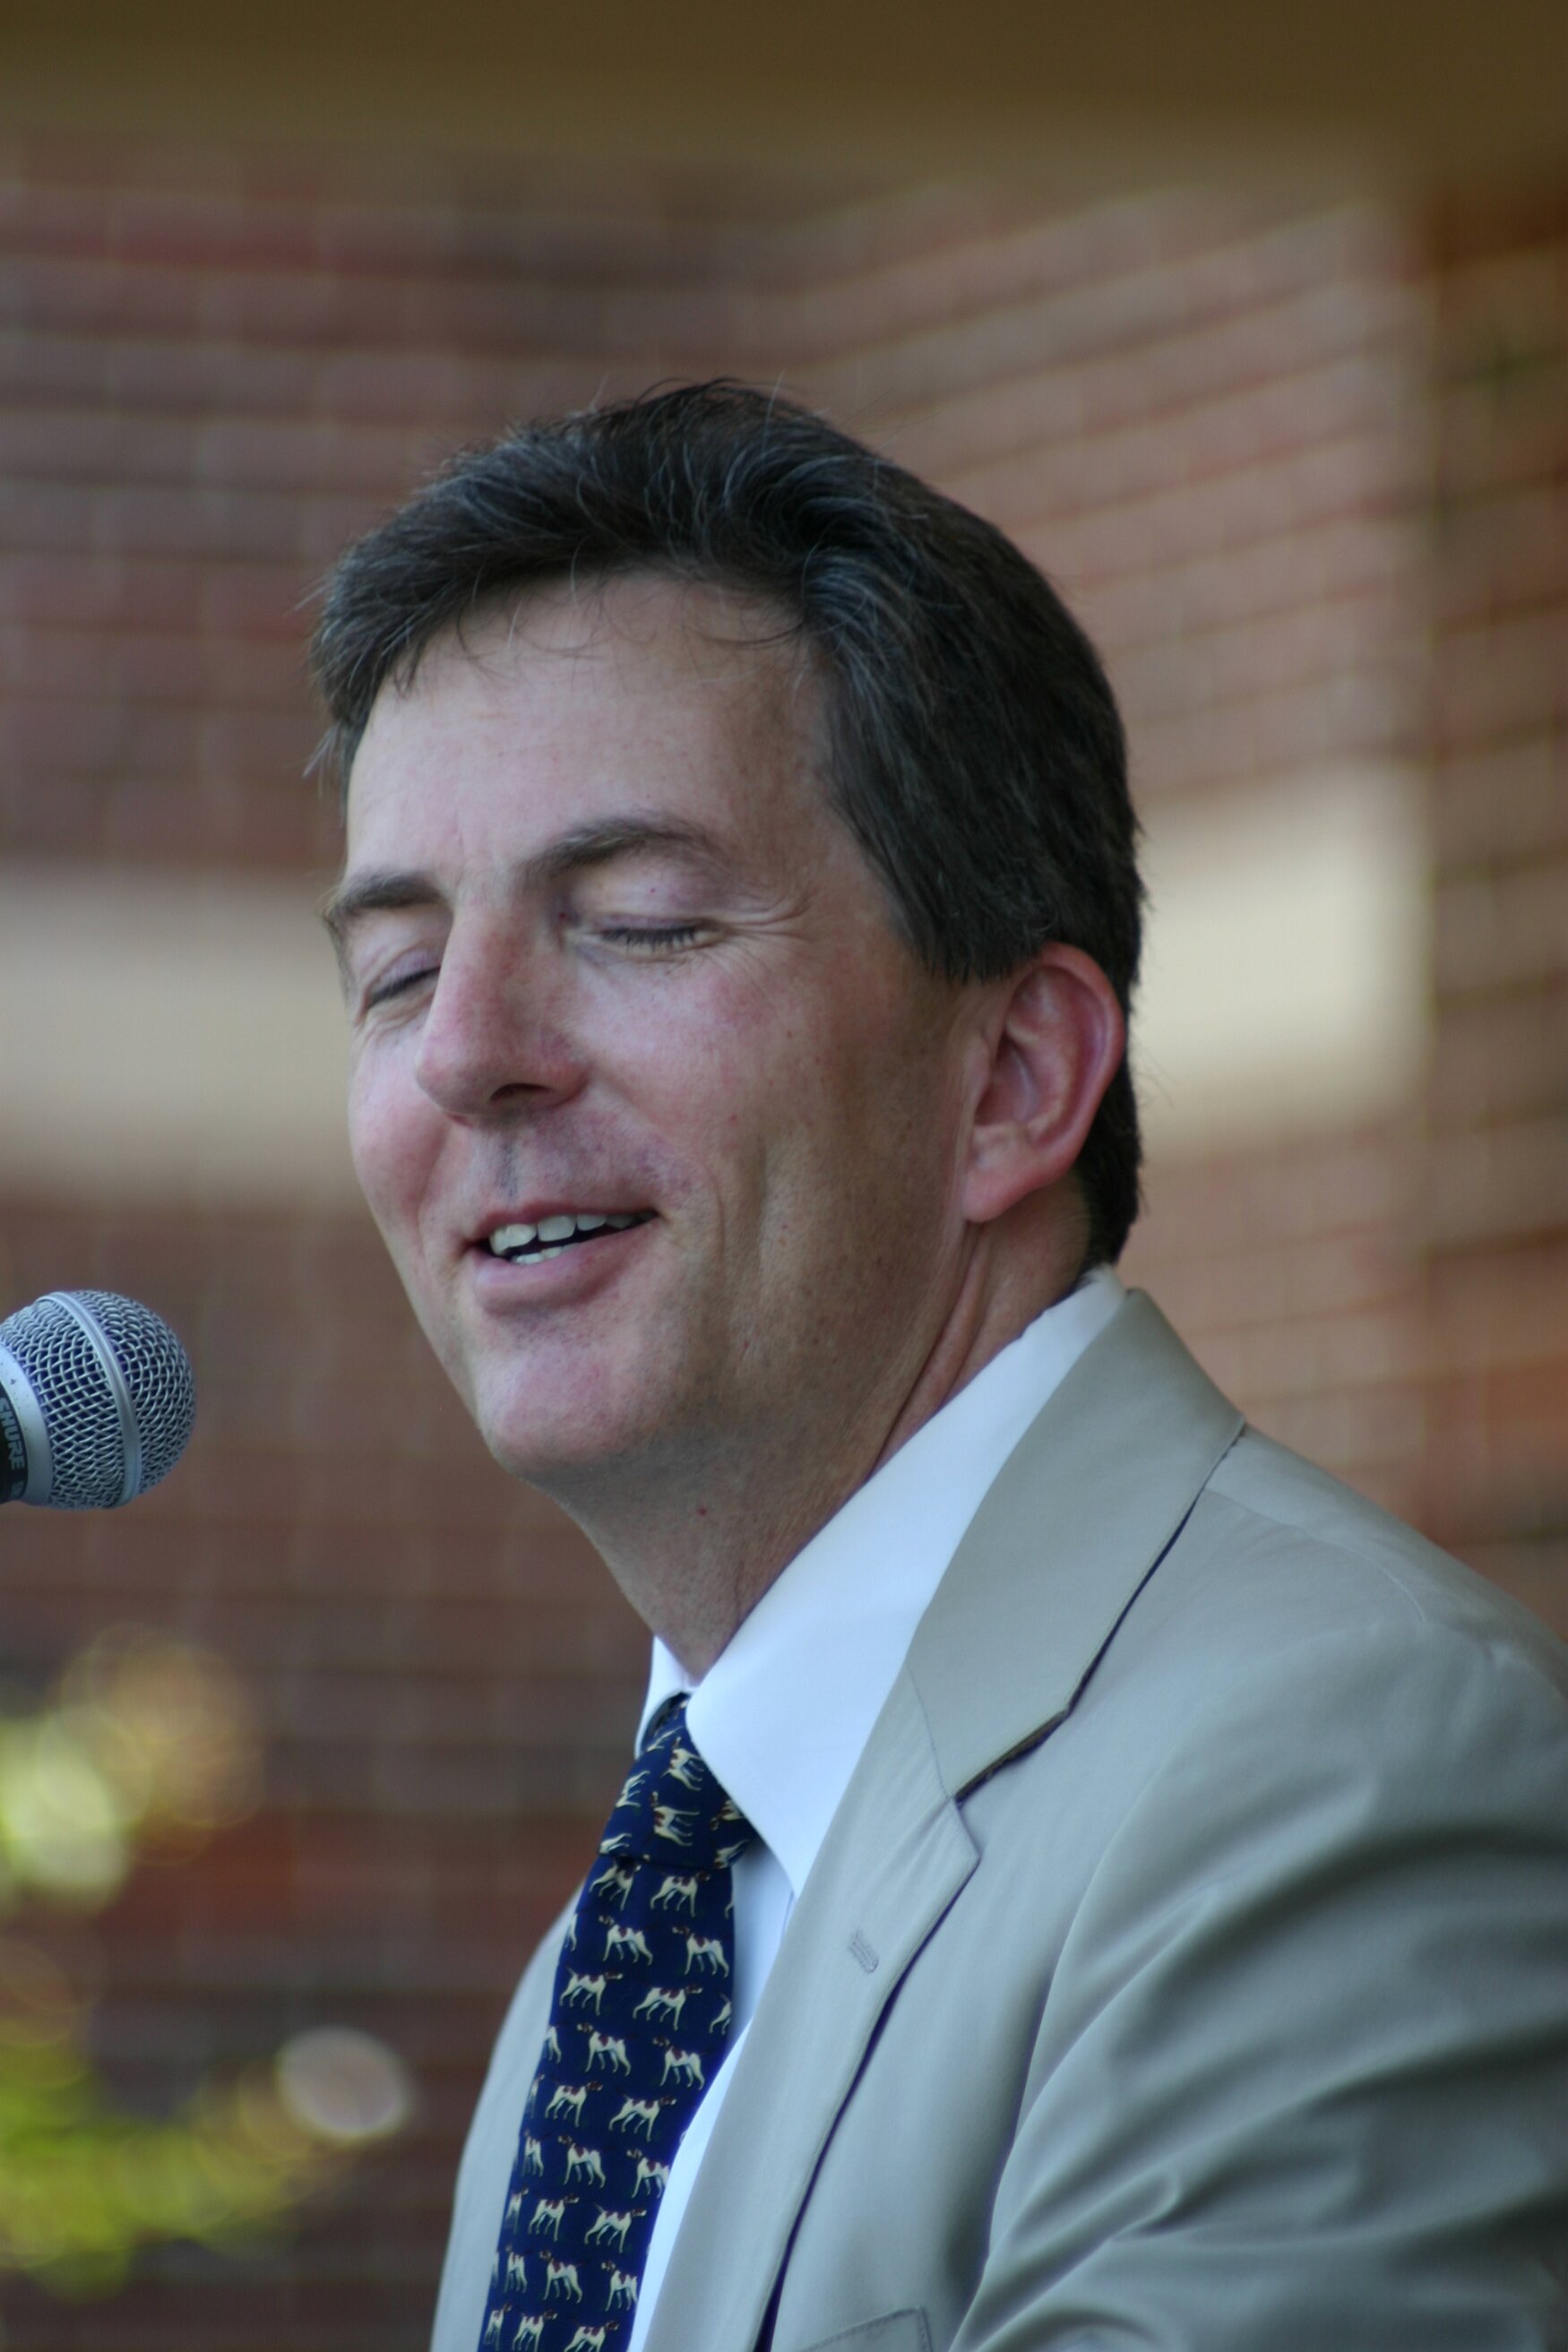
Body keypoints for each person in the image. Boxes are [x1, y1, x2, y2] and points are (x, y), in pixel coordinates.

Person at [313, 383, 1568, 2352]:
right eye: (395, 968)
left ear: (1011, 1079)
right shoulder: (618, 1960)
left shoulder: (1338, 1765)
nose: (467, 1050)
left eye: (635, 921)